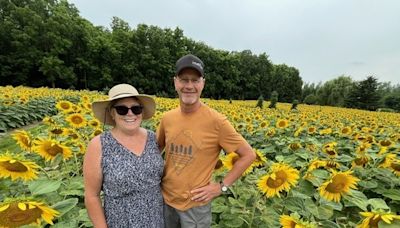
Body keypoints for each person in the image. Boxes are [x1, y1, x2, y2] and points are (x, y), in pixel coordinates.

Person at [157, 54, 256, 227]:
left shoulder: (217, 122)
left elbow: (248, 155)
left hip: (196, 206)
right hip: (165, 200)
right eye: (184, 80)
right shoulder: (167, 118)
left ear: (203, 83)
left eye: (195, 80)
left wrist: (221, 187)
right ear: (175, 82)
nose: (189, 86)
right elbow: (155, 151)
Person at [83, 84, 164, 228]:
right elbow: (92, 196)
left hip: (157, 220)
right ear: (112, 113)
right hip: (120, 222)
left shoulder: (153, 138)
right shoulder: (99, 145)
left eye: (136, 108)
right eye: (122, 109)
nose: (130, 114)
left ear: (142, 112)